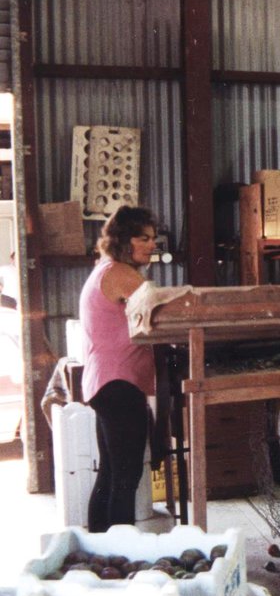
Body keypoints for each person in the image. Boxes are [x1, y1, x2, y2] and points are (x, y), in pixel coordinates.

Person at [79, 205, 157, 532]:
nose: (152, 245)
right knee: (126, 476)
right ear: (124, 240)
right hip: (119, 383)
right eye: (144, 239)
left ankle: (100, 551)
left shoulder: (104, 270)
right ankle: (119, 554)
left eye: (154, 239)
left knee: (111, 473)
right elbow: (162, 311)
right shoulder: (120, 274)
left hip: (105, 383)